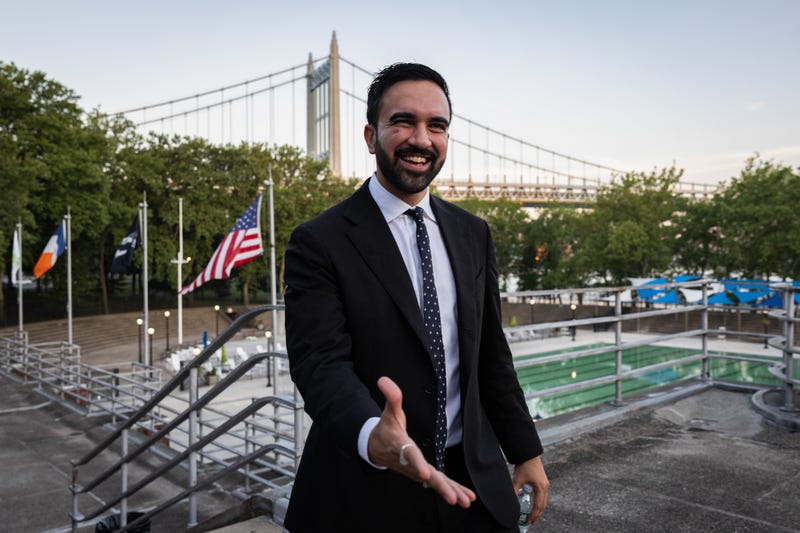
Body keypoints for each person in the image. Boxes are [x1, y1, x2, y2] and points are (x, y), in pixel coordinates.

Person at [284, 62, 549, 532]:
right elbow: (320, 364)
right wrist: (374, 436)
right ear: (371, 136)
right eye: (403, 121)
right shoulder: (318, 240)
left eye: (436, 126)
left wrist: (525, 449)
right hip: (362, 491)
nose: (421, 139)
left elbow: (490, 353)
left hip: (472, 486)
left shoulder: (473, 233)